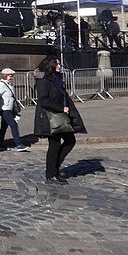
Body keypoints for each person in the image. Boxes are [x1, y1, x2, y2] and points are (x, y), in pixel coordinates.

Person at [34, 56, 86, 184]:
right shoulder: (44, 81)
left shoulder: (57, 80)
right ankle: (51, 173)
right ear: (50, 65)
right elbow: (43, 100)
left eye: (59, 63)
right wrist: (61, 108)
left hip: (61, 115)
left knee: (70, 140)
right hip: (50, 117)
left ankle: (55, 168)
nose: (59, 66)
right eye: (56, 63)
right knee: (55, 144)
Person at [0, 68, 29, 152]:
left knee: (4, 127)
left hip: (9, 108)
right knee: (13, 125)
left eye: (12, 75)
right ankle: (19, 144)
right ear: (5, 75)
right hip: (4, 109)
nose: (12, 77)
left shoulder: (9, 84)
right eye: (10, 75)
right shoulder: (1, 85)